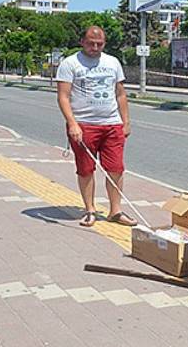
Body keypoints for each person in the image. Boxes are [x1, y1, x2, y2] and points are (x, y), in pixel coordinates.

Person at [56, 26, 137, 228]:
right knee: (86, 170)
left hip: (111, 124)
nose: (95, 47)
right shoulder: (70, 64)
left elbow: (120, 94)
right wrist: (72, 123)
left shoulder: (112, 62)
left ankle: (115, 211)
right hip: (84, 125)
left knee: (116, 168)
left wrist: (125, 121)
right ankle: (90, 209)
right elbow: (63, 97)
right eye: (91, 43)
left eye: (99, 44)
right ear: (82, 41)